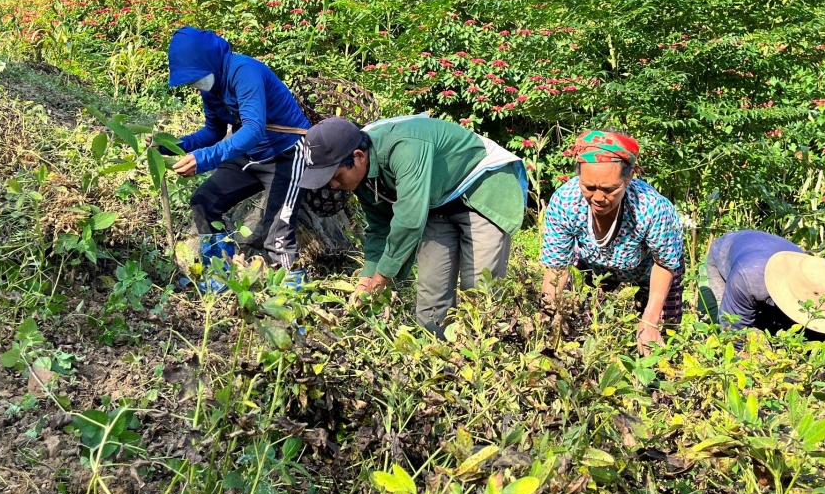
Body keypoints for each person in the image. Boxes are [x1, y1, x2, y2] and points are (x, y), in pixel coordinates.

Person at [297, 115, 527, 338]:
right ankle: (442, 363)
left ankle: (483, 363)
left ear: (358, 156)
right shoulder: (361, 174)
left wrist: (380, 282)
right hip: (437, 205)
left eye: (336, 176)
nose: (334, 185)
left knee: (479, 292)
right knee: (431, 298)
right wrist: (365, 280)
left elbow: (409, 221)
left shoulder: (403, 147)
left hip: (481, 190)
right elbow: (379, 227)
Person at [164, 27, 311, 285]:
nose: (195, 84)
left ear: (209, 62)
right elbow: (213, 131)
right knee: (204, 201)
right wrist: (170, 146)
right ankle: (222, 275)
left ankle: (291, 293)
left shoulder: (244, 71)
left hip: (287, 154)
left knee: (276, 236)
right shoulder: (212, 89)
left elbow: (253, 129)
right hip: (250, 155)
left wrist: (204, 159)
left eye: (196, 77)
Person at [539, 130, 684, 356]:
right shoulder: (565, 202)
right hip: (595, 268)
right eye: (589, 187)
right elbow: (557, 266)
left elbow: (665, 263)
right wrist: (547, 316)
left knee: (660, 334)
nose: (598, 197)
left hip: (650, 270)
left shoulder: (652, 208)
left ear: (628, 179)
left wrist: (651, 321)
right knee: (583, 330)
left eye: (609, 189)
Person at [699, 230, 825, 356]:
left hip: (760, 258)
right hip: (725, 255)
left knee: (788, 329)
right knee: (716, 330)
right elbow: (734, 336)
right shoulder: (749, 278)